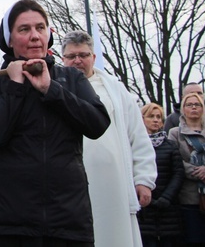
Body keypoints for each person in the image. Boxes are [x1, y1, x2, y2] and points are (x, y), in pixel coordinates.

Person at [0, 0, 110, 247]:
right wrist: (15, 87)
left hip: (67, 222)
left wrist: (51, 90)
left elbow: (98, 124)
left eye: (41, 27)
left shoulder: (70, 79)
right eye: (24, 29)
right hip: (5, 225)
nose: (35, 36)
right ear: (10, 39)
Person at [61, 30, 156, 247]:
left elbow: (138, 136)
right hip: (68, 185)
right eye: (72, 56)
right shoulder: (53, 87)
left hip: (112, 185)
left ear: (93, 57)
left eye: (83, 55)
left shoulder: (115, 89)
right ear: (63, 59)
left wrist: (144, 179)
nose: (78, 61)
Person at [167, 92, 205, 246]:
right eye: (189, 104)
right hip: (189, 196)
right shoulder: (175, 133)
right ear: (183, 109)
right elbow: (173, 159)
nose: (194, 107)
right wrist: (197, 172)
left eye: (197, 104)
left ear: (203, 108)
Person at [137, 103, 185, 247]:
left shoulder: (170, 145)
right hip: (144, 208)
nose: (156, 120)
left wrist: (166, 197)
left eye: (159, 117)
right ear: (142, 119)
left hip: (167, 209)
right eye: (151, 116)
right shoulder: (134, 145)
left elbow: (178, 173)